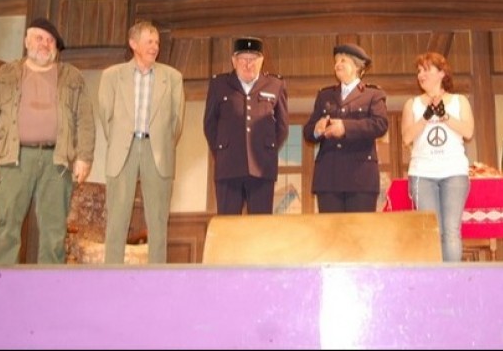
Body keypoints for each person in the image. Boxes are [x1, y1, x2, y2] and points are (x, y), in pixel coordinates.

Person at [0, 18, 95, 264]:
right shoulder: (6, 74)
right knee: (7, 224)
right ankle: (0, 279)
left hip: (57, 160)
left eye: (50, 41)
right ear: (27, 41)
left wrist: (84, 157)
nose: (45, 44)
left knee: (54, 229)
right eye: (39, 38)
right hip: (13, 157)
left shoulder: (72, 77)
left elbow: (85, 119)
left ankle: (50, 284)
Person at [98, 20, 185, 263]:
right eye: (149, 41)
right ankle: (112, 274)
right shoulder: (112, 76)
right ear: (133, 44)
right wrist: (121, 139)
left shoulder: (173, 77)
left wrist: (162, 144)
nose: (155, 47)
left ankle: (156, 276)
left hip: (157, 152)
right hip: (122, 150)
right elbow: (106, 116)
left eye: (157, 42)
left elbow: (177, 122)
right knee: (117, 219)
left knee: (158, 221)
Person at [203, 37, 289, 215]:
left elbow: (282, 127)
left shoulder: (275, 85)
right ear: (234, 61)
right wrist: (222, 151)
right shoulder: (219, 85)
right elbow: (210, 125)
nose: (248, 64)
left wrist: (267, 150)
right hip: (228, 168)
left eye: (253, 59)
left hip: (262, 169)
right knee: (228, 225)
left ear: (261, 61)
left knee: (260, 226)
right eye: (243, 59)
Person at [401, 52, 473, 262]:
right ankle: (434, 278)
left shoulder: (459, 101)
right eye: (419, 71)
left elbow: (468, 132)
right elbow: (407, 137)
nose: (421, 75)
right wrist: (425, 117)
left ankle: (451, 279)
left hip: (454, 172)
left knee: (450, 231)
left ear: (442, 73)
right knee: (431, 232)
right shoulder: (412, 104)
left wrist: (444, 115)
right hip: (422, 174)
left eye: (426, 70)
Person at [303, 43, 388, 213]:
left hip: (360, 178)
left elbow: (380, 124)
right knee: (330, 229)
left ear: (357, 66)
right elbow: (308, 132)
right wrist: (316, 130)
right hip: (328, 178)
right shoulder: (325, 95)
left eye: (343, 60)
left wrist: (345, 127)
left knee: (359, 229)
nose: (337, 64)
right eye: (336, 61)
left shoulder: (373, 94)